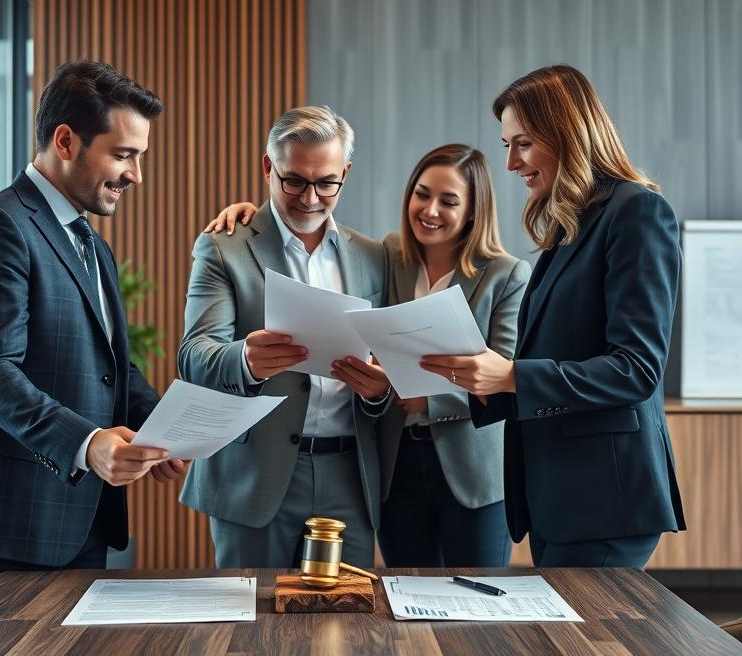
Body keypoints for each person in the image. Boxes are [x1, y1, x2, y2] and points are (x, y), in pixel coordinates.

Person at [0, 60, 188, 600]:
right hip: (9, 519)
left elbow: (112, 367)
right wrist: (88, 444)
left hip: (81, 515)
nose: (135, 175)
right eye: (123, 154)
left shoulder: (90, 241)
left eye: (140, 156)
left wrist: (167, 425)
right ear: (65, 140)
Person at [206, 144, 529, 567]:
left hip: (472, 469)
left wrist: (425, 402)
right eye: (422, 194)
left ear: (473, 211)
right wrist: (253, 213)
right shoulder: (389, 257)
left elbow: (503, 377)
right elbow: (304, 227)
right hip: (396, 468)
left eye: (448, 201)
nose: (430, 210)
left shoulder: (505, 275)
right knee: (402, 593)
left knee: (476, 601)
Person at [420, 65, 686, 568]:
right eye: (507, 145)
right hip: (561, 499)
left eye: (522, 143)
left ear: (565, 131)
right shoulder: (571, 227)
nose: (511, 162)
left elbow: (637, 370)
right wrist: (481, 379)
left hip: (605, 501)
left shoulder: (638, 212)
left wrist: (513, 375)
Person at [177, 105, 389, 569]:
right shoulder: (223, 246)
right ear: (267, 167)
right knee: (250, 625)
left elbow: (390, 358)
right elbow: (193, 356)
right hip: (255, 472)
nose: (310, 198)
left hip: (350, 476)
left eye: (326, 182)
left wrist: (377, 393)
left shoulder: (375, 257)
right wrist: (246, 360)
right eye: (294, 180)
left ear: (345, 174)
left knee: (348, 628)